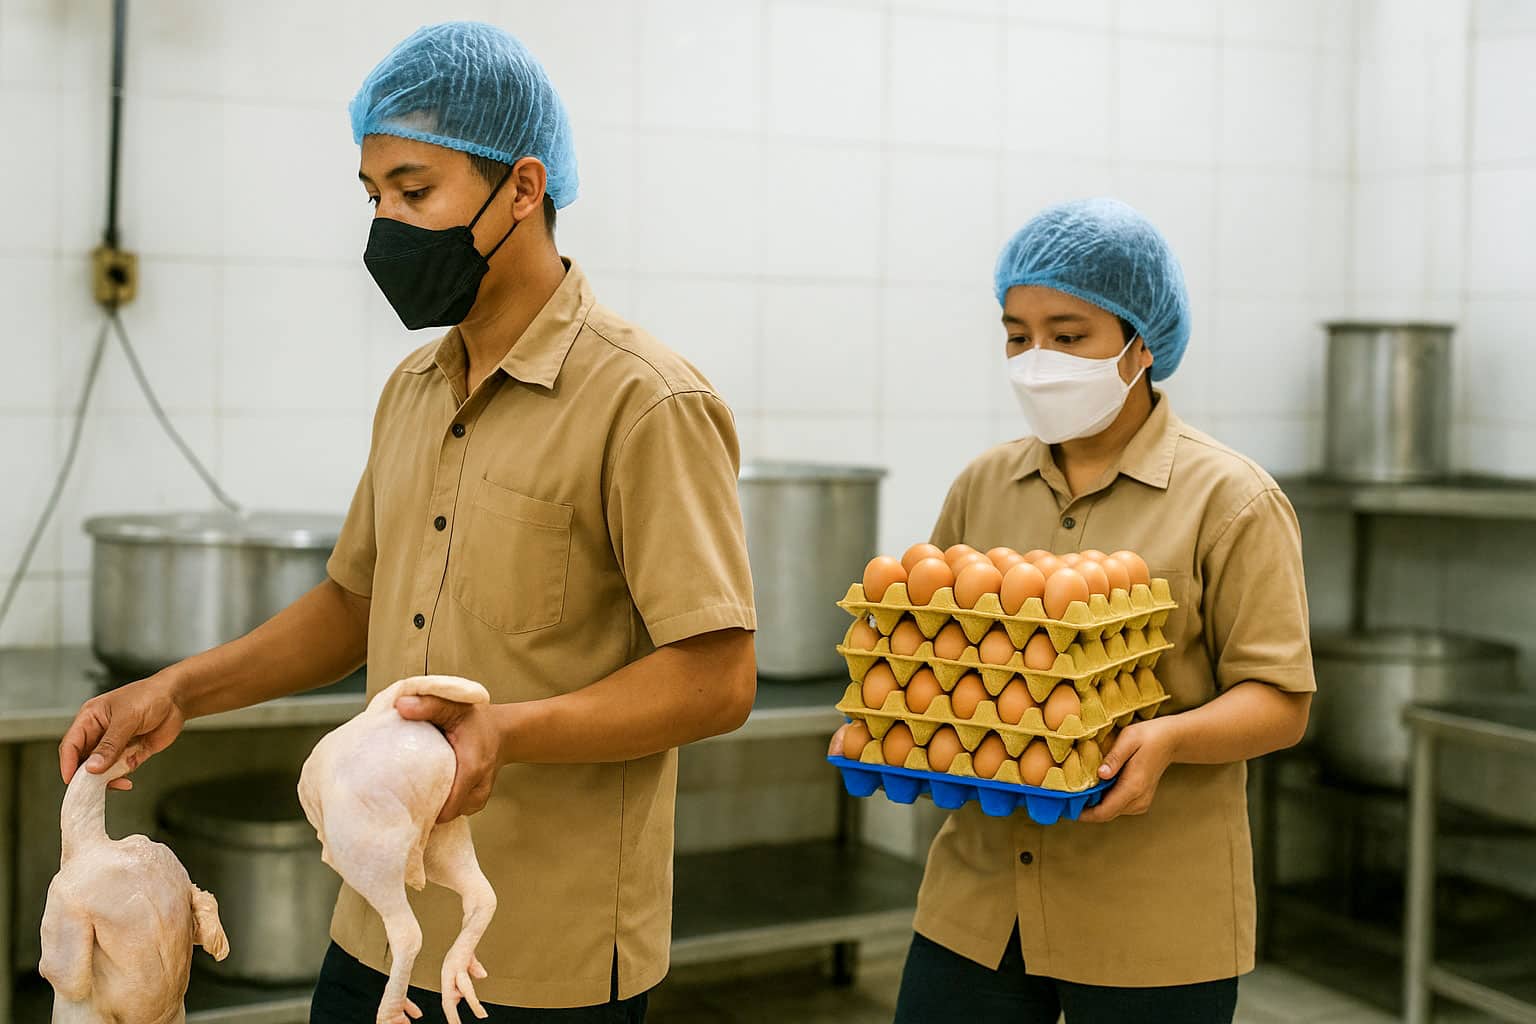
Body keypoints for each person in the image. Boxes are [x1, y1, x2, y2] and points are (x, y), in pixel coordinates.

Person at [58, 21, 758, 1021]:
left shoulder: (643, 401)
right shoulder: (414, 390)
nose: (386, 221)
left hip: (544, 951)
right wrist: (178, 691)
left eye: (415, 190)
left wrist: (500, 735)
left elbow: (717, 674)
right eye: (373, 193)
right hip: (379, 929)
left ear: (522, 188)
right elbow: (355, 603)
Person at [830, 197, 1314, 1024]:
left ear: (1141, 342)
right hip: (978, 904)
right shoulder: (984, 485)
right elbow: (932, 646)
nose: (1037, 359)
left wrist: (1165, 739)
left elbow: (1281, 703)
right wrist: (895, 721)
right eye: (1017, 335)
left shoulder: (1231, 499)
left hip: (1150, 910)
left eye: (1069, 334)